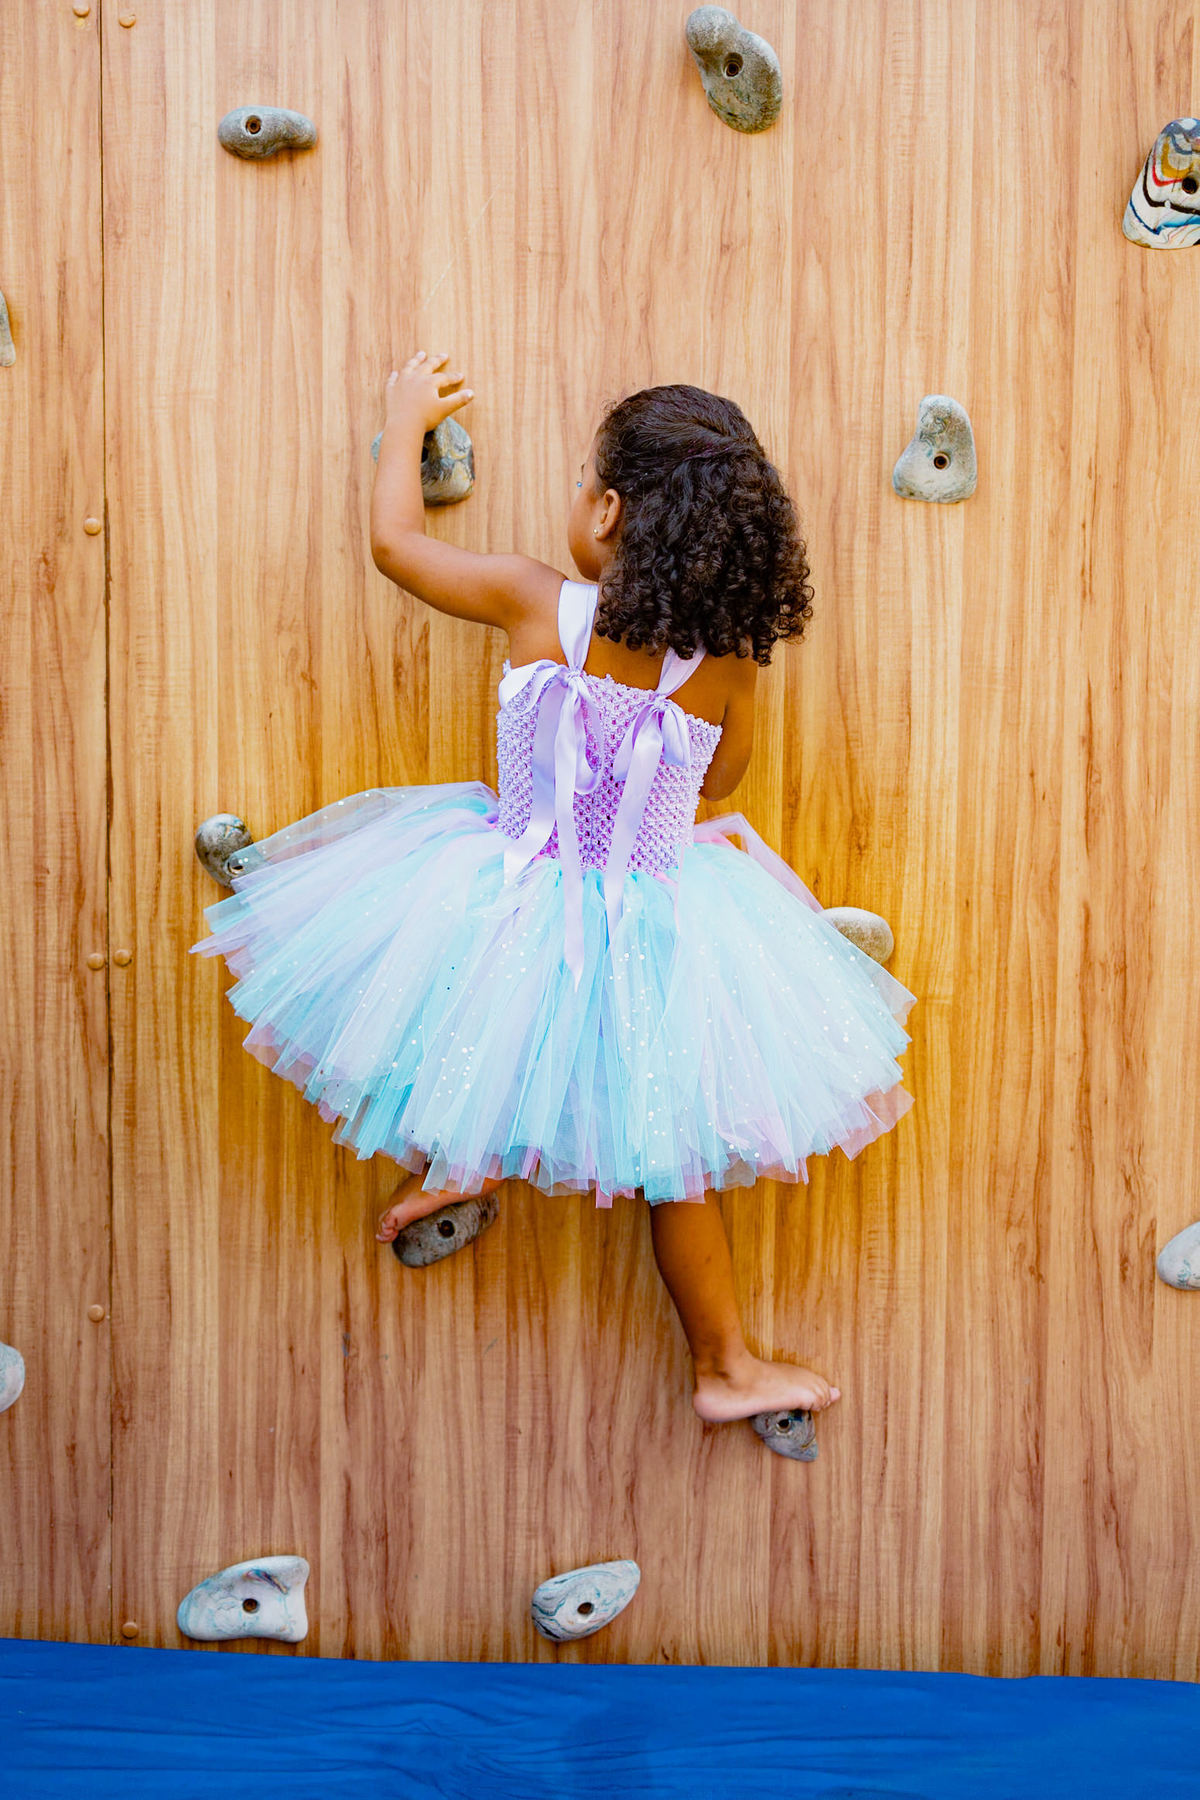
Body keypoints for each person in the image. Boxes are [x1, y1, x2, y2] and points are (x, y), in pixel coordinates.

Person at [191, 351, 916, 1429]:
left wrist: (403, 422)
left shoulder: (538, 600)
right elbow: (722, 781)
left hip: (512, 886)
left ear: (611, 511)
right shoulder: (726, 667)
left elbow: (399, 547)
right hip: (662, 919)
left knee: (458, 1012)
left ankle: (457, 1155)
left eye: (587, 481)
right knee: (673, 1161)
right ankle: (720, 1364)